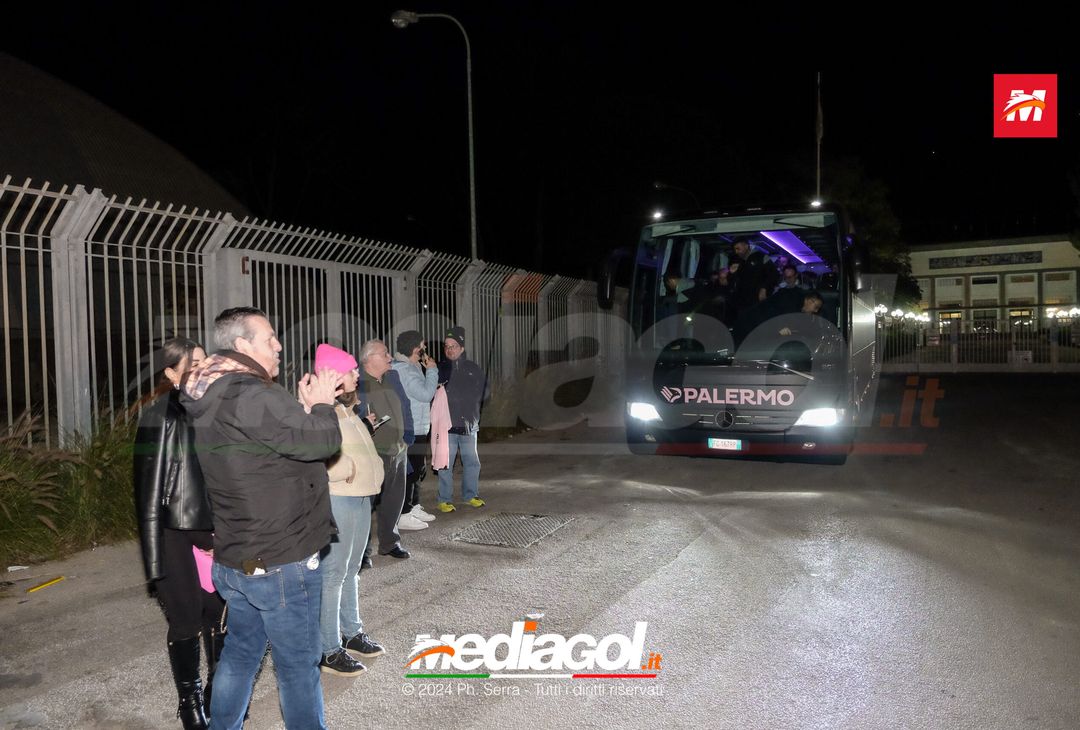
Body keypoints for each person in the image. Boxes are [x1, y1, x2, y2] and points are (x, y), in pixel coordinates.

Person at [180, 307, 343, 730]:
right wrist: (323, 406)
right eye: (270, 338)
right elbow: (320, 443)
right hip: (280, 559)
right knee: (298, 667)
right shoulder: (253, 395)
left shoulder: (210, 396)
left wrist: (303, 412)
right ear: (241, 346)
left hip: (238, 558)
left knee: (240, 652)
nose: (279, 345)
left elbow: (273, 455)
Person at [134, 337, 222, 730]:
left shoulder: (216, 408)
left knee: (220, 614)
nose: (203, 367)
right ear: (171, 373)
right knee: (187, 619)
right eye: (193, 363)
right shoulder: (160, 414)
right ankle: (189, 700)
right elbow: (148, 491)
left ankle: (221, 690)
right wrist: (155, 563)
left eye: (206, 360)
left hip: (215, 532)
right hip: (173, 535)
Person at [312, 344, 387, 677]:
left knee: (351, 569)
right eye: (351, 369)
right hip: (340, 497)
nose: (358, 374)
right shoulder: (319, 408)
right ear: (334, 374)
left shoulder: (343, 409)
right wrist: (349, 471)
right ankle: (328, 649)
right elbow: (318, 457)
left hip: (359, 496)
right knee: (333, 576)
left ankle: (351, 632)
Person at [354, 339, 410, 559]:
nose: (390, 357)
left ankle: (389, 543)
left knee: (394, 501)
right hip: (374, 452)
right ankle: (363, 554)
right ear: (369, 359)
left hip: (399, 449)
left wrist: (409, 436)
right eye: (384, 353)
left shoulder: (393, 377)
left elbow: (404, 405)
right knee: (365, 505)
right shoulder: (357, 383)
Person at [435, 326, 488, 513]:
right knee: (445, 463)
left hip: (469, 424)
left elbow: (485, 392)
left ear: (462, 348)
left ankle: (471, 495)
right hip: (447, 426)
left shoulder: (473, 368)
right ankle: (444, 499)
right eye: (447, 346)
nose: (450, 349)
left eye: (454, 345)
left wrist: (472, 398)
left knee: (472, 462)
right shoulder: (439, 369)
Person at [391, 330, 439, 527]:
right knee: (410, 471)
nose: (424, 349)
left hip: (418, 425)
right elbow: (427, 394)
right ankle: (404, 513)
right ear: (414, 349)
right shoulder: (407, 371)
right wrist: (433, 370)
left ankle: (413, 506)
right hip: (414, 427)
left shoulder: (411, 366)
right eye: (421, 346)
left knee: (418, 468)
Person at [730, 237, 779, 312]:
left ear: (746, 246)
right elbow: (737, 281)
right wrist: (732, 273)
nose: (736, 252)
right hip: (743, 301)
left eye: (738, 248)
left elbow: (773, 274)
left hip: (758, 299)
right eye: (735, 249)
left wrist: (764, 288)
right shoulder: (739, 262)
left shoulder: (760, 257)